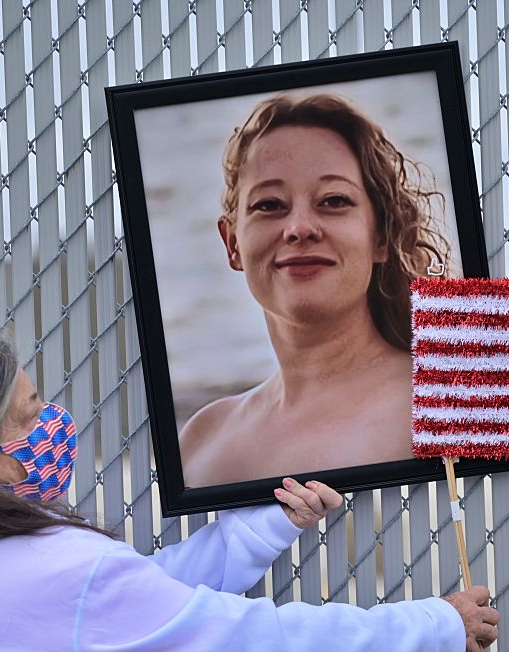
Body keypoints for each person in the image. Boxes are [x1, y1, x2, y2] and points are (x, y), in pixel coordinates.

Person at [0, 330, 499, 652]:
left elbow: (136, 600)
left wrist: (265, 523)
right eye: (29, 412)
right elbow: (252, 644)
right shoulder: (55, 574)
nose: (53, 420)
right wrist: (432, 627)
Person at [181, 93, 453, 487]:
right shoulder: (202, 442)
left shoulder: (447, 404)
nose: (300, 228)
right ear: (232, 243)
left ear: (380, 236)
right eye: (269, 205)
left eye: (334, 201)